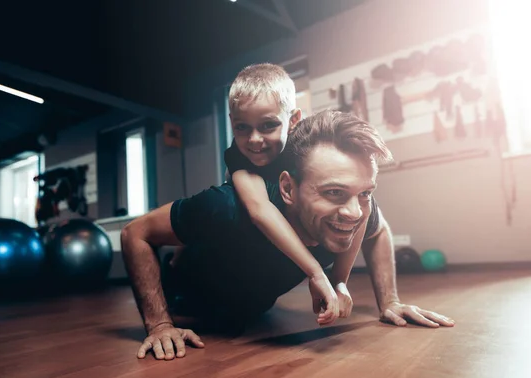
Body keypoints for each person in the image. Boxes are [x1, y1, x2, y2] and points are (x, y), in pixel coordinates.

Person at [120, 109, 455, 361]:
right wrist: (160, 325)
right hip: (190, 306)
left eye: (364, 193)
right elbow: (135, 233)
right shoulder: (225, 207)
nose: (354, 211)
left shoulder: (355, 212)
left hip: (251, 312)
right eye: (335, 192)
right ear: (287, 188)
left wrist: (390, 301)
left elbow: (378, 228)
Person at [177, 63, 355, 327]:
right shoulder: (239, 156)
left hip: (256, 287)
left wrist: (339, 281)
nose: (255, 140)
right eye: (242, 128)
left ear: (293, 121)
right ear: (232, 124)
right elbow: (259, 209)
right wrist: (316, 273)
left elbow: (364, 204)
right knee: (196, 241)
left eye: (268, 125)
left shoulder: (305, 149)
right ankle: (178, 258)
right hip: (217, 251)